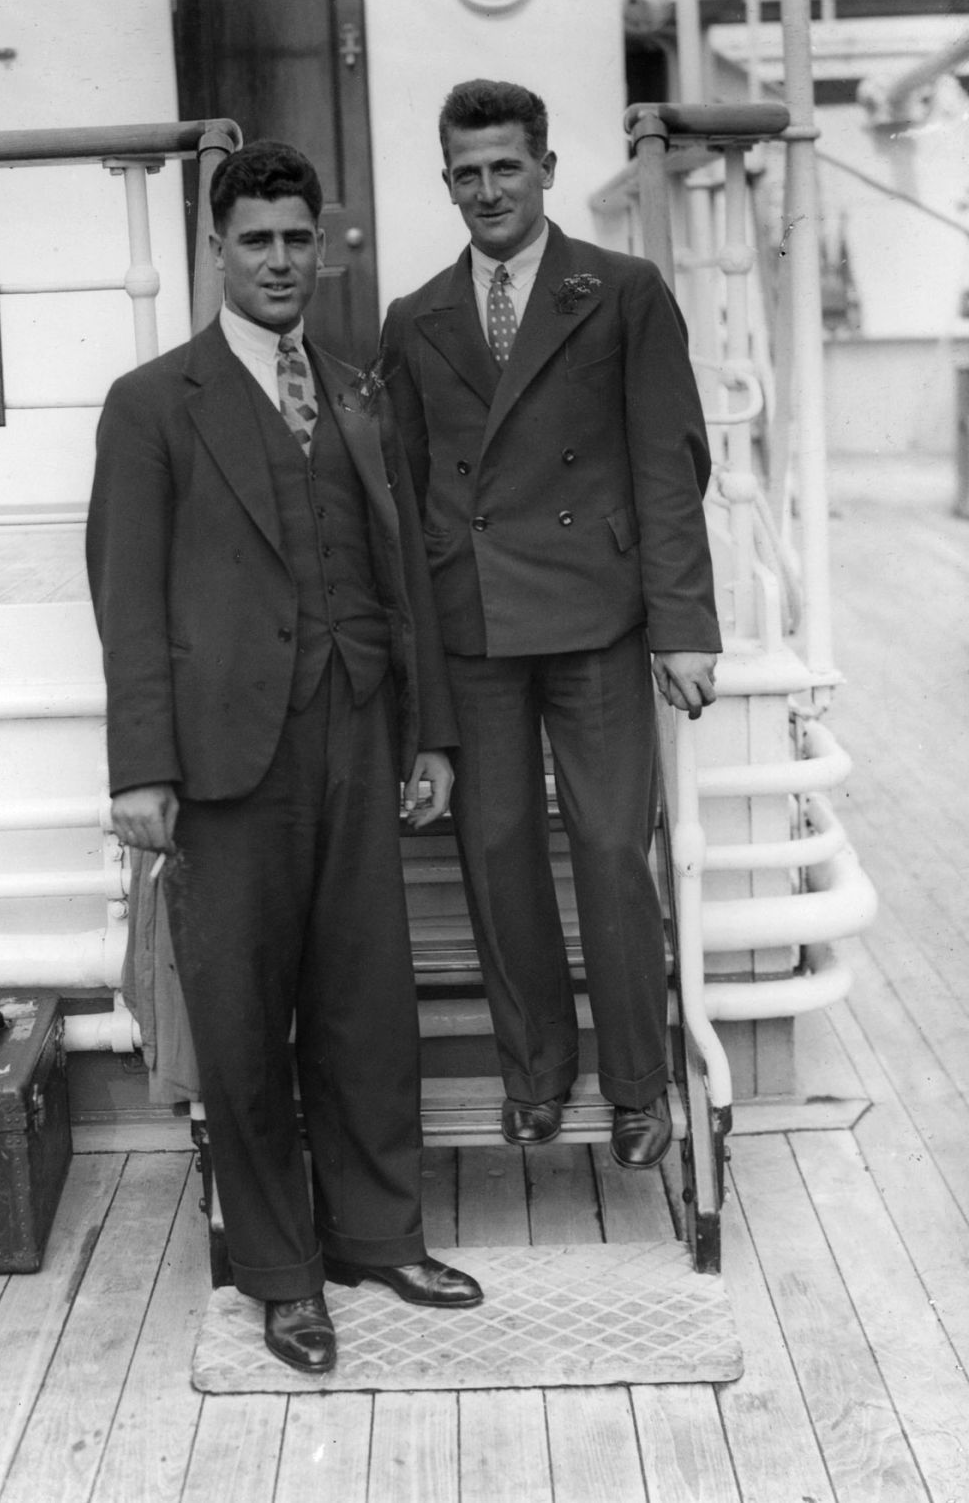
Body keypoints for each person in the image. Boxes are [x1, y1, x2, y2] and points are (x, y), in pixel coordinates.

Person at [86, 140, 482, 1376]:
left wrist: (428, 732)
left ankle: (377, 1233)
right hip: (221, 756)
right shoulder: (154, 401)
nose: (277, 260)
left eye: (297, 239)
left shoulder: (356, 389)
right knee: (247, 1017)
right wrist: (141, 766)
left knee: (368, 998)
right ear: (217, 250)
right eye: (254, 239)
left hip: (358, 728)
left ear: (326, 244)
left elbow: (401, 572)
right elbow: (125, 594)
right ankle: (281, 1269)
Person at [380, 80, 720, 1169]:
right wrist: (415, 651)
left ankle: (635, 1084)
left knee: (616, 850)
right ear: (447, 183)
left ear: (546, 170)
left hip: (598, 617)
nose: (488, 190)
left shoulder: (620, 292)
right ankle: (534, 1073)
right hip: (471, 617)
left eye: (506, 167)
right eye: (467, 173)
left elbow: (671, 464)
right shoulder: (416, 316)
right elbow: (405, 487)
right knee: (496, 850)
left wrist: (683, 626)